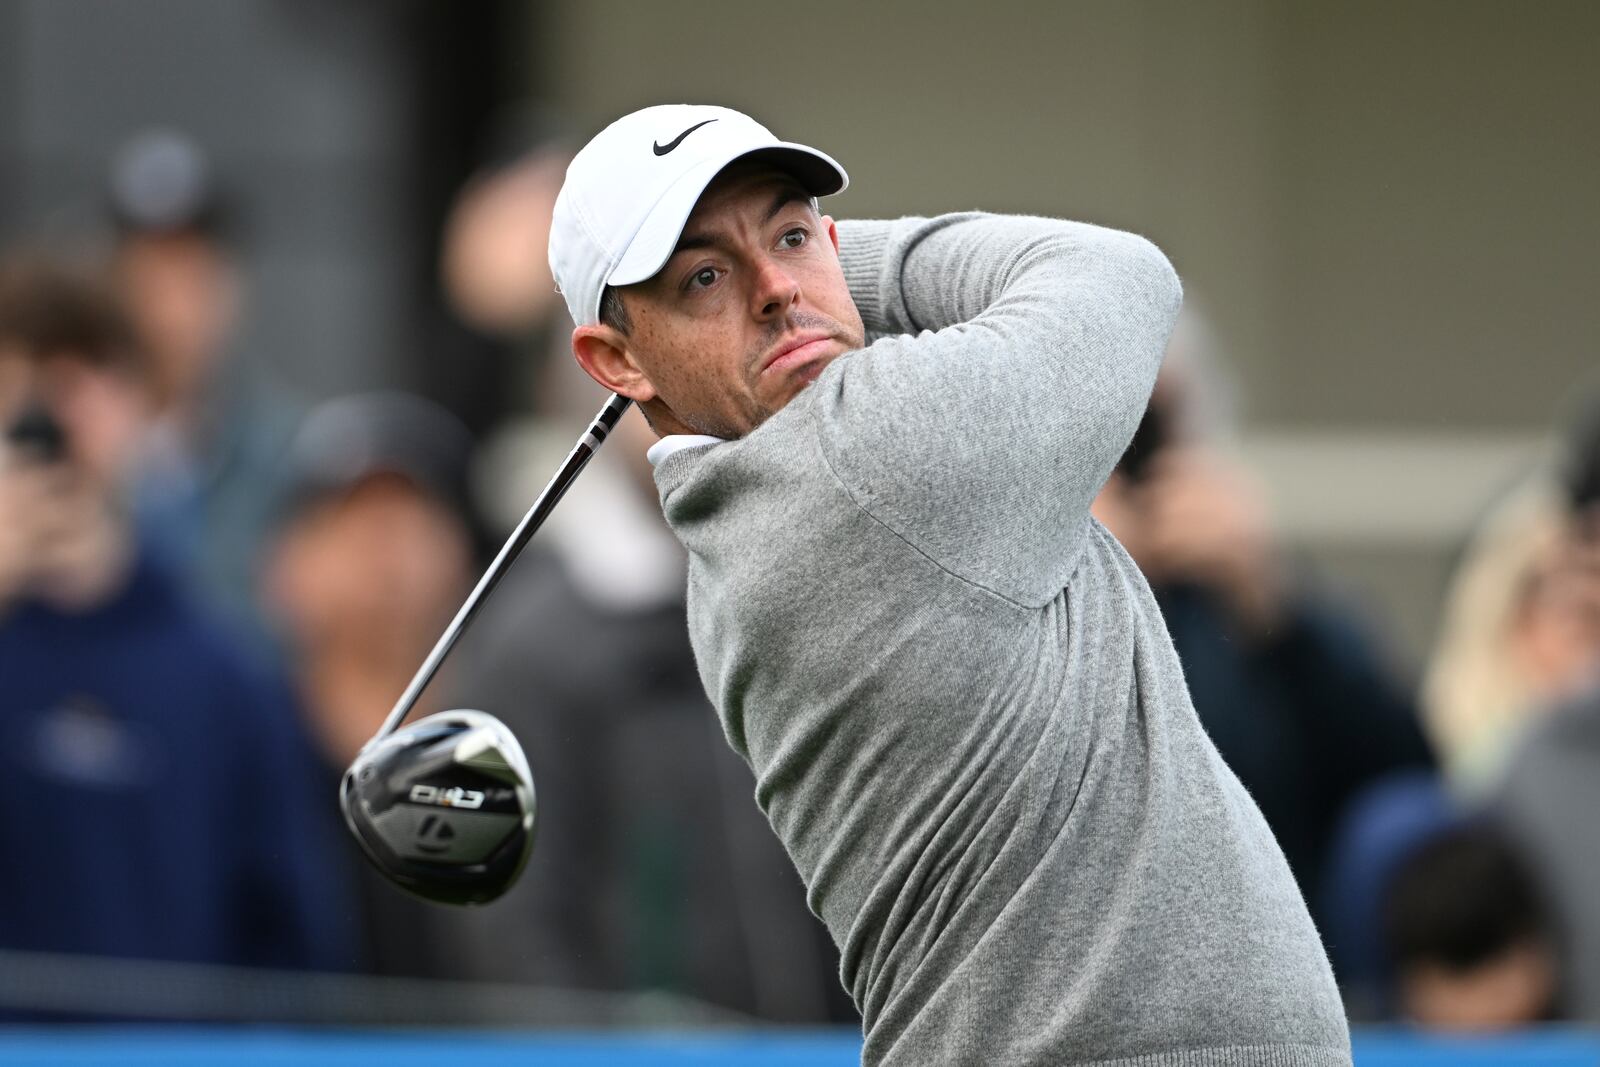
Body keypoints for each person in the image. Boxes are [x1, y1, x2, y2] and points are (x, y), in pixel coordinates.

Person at [548, 104, 1350, 1065]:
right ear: (615, 359)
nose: (773, 288)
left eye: (793, 232)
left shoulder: (729, 538)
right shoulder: (867, 457)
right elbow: (1124, 279)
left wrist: (804, 271)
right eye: (704, 275)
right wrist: (839, 267)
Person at [0, 257, 350, 1009]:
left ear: (137, 405)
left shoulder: (224, 675)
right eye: (21, 380)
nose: (51, 415)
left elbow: (294, 948)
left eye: (81, 375)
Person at [1091, 321, 1432, 914]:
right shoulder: (1014, 576)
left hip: (1267, 922)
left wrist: (1273, 600)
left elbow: (1404, 770)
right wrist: (1076, 574)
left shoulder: (1253, 600)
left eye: (1153, 422)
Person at [261, 392, 478, 978]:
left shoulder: (508, 751)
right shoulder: (241, 753)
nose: (385, 553)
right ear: (284, 567)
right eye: (351, 522)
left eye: (411, 521)